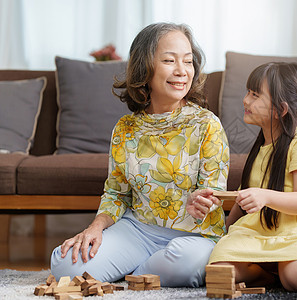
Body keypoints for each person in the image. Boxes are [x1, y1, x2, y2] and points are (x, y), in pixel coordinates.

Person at [51, 22, 230, 287]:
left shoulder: (207, 125)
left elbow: (214, 192)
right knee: (64, 264)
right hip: (137, 231)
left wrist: (202, 202)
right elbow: (117, 194)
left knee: (187, 264)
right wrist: (95, 228)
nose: (182, 71)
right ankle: (145, 272)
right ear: (145, 68)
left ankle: (131, 271)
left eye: (188, 61)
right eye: (169, 60)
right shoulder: (125, 128)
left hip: (194, 236)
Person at [206, 62, 297, 292]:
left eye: (254, 95)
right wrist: (222, 234)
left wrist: (265, 196)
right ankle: (268, 274)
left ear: (280, 110)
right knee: (220, 271)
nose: (245, 100)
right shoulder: (260, 146)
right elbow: (242, 203)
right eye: (247, 92)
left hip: (296, 233)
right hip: (259, 231)